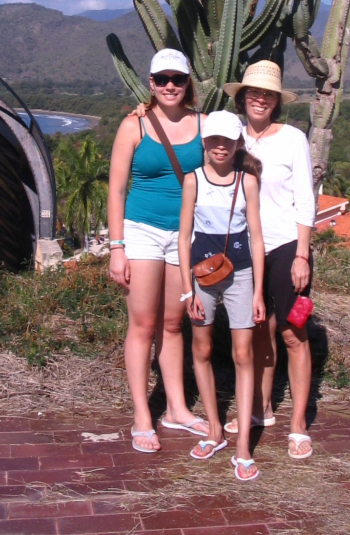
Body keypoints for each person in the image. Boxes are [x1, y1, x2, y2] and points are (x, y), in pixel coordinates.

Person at [107, 48, 209, 453]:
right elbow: (116, 190)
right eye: (162, 79)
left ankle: (177, 409)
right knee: (143, 324)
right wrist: (117, 248)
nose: (170, 86)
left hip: (185, 236)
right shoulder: (133, 126)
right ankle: (141, 416)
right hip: (142, 231)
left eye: (177, 79)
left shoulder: (204, 124)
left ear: (188, 83)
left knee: (172, 323)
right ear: (150, 83)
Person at [222, 60, 316, 461]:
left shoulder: (293, 138)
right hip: (246, 249)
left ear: (276, 101)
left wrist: (302, 254)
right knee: (259, 328)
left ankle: (298, 424)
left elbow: (306, 197)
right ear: (242, 97)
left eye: (267, 94)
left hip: (286, 246)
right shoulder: (232, 137)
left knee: (294, 333)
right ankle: (260, 409)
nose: (259, 99)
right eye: (253, 93)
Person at [178, 110, 266, 481]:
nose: (220, 147)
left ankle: (243, 445)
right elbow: (184, 237)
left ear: (237, 144)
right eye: (213, 139)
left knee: (243, 354)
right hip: (201, 275)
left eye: (227, 141)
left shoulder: (247, 182)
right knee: (201, 350)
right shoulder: (193, 180)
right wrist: (187, 291)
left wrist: (258, 291)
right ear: (204, 142)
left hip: (240, 272)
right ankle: (214, 429)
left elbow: (257, 238)